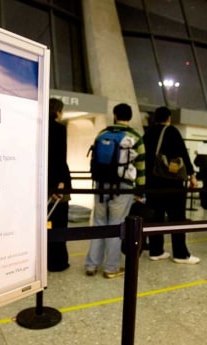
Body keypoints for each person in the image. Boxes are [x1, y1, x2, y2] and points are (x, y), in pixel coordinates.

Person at [85, 103, 145, 278]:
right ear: (130, 117)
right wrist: (140, 190)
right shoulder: (134, 137)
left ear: (114, 115)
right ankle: (111, 268)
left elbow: (94, 160)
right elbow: (141, 166)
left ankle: (91, 265)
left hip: (100, 186)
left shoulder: (102, 134)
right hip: (122, 187)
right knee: (117, 225)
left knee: (98, 223)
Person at [143, 106, 200, 264]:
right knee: (177, 217)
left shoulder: (148, 133)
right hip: (171, 182)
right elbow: (182, 153)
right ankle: (180, 254)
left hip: (152, 183)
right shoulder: (171, 131)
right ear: (168, 118)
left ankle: (156, 251)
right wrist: (192, 175)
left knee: (156, 217)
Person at [47, 98, 72, 272]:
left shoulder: (37, 128)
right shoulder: (59, 128)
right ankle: (58, 262)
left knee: (44, 224)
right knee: (60, 223)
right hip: (58, 185)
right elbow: (60, 157)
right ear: (58, 111)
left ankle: (44, 260)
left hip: (41, 185)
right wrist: (60, 183)